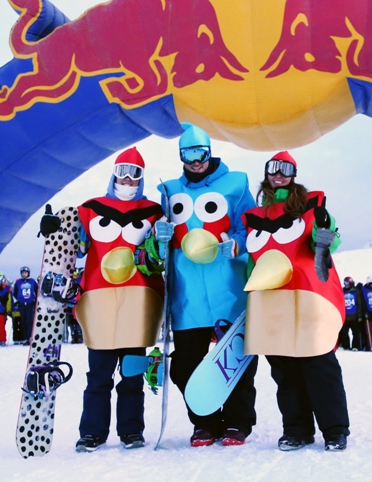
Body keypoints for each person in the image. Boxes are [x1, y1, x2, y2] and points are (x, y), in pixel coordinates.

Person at [44, 147, 166, 453]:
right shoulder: (90, 209)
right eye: (122, 171)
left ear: (141, 177)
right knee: (98, 373)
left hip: (138, 300)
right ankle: (92, 432)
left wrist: (165, 239)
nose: (127, 179)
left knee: (132, 371)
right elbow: (76, 246)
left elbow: (160, 255)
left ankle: (131, 430)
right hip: (99, 297)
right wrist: (53, 231)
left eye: (133, 173)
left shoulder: (153, 212)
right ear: (113, 173)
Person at [154, 123, 257, 447]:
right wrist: (161, 237)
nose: (195, 160)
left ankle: (238, 422)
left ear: (210, 152)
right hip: (188, 296)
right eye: (188, 154)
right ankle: (205, 422)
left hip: (228, 289)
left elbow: (251, 225)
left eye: (200, 153)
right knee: (184, 367)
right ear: (181, 156)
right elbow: (157, 245)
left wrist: (238, 243)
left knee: (236, 361)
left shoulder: (236, 183)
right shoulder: (169, 190)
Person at [241, 151, 350, 452]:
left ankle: (335, 429)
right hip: (270, 300)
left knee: (318, 362)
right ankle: (297, 429)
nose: (279, 174)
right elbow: (253, 261)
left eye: (285, 169)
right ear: (266, 173)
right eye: (274, 168)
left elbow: (325, 242)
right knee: (283, 367)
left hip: (306, 295)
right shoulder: (255, 217)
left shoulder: (310, 207)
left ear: (294, 173)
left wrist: (325, 235)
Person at [11, 266, 39, 345]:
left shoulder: (32, 281)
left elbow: (37, 291)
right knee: (23, 321)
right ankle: (25, 338)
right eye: (23, 273)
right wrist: (17, 300)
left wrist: (35, 301)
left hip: (30, 303)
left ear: (28, 273)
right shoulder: (18, 282)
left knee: (29, 321)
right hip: (22, 303)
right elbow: (15, 293)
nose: (24, 274)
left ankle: (30, 337)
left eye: (26, 273)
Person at [339, 277, 365, 351]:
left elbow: (359, 304)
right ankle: (345, 345)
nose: (346, 285)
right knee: (344, 332)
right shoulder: (342, 291)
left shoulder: (356, 291)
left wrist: (359, 316)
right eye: (345, 284)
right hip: (345, 316)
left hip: (354, 316)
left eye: (347, 284)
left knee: (356, 333)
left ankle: (355, 346)